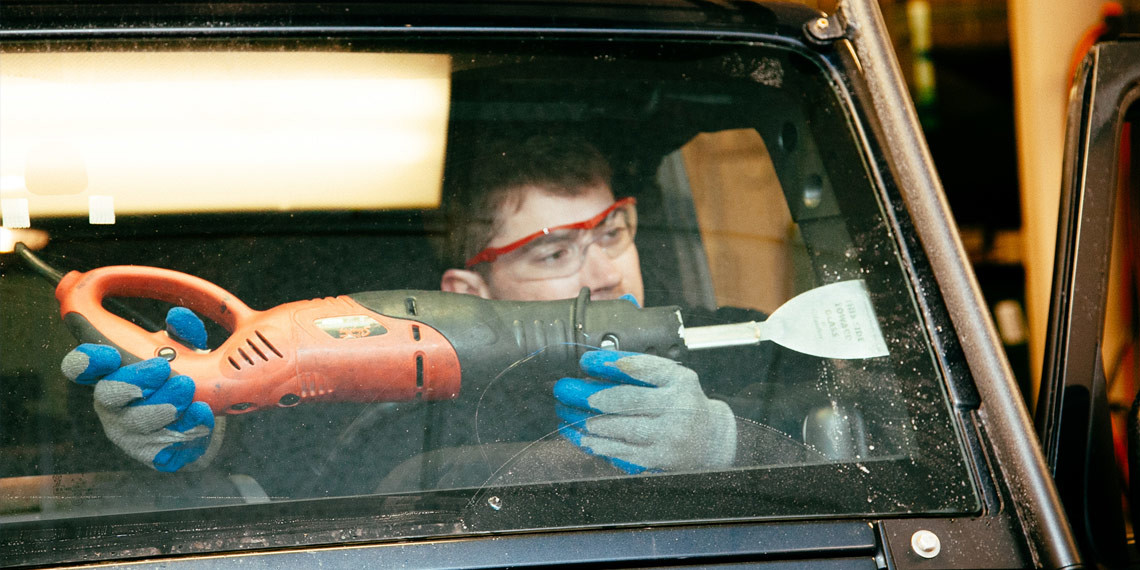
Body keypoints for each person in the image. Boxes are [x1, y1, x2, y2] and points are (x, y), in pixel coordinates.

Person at [60, 135, 807, 484]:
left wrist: (732, 446)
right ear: (466, 291)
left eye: (613, 233)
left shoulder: (733, 341)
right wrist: (186, 428)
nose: (608, 275)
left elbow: (881, 443)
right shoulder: (377, 399)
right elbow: (269, 484)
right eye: (555, 254)